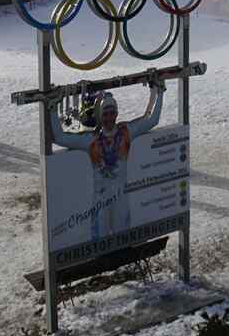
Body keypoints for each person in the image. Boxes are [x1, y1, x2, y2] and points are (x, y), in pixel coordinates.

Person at [47, 82, 165, 246]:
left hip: (120, 195)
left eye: (112, 113)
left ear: (116, 114)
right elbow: (59, 137)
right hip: (100, 198)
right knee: (99, 242)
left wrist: (160, 92)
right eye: (105, 114)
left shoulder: (126, 132)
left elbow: (152, 120)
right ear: (100, 116)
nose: (109, 118)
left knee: (123, 239)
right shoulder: (91, 140)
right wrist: (53, 107)